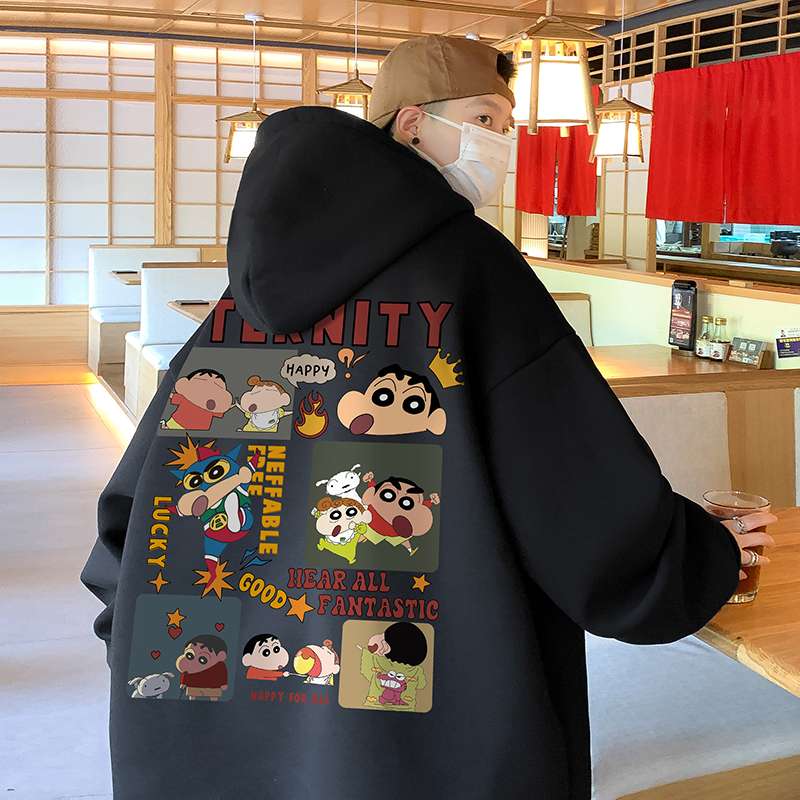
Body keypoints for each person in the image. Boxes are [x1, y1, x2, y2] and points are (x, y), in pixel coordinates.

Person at [80, 33, 776, 799]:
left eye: (507, 126)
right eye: (485, 120)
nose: (502, 144)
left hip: (214, 703)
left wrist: (132, 617)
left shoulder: (243, 295)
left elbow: (143, 493)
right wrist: (696, 557)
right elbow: (575, 494)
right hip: (411, 722)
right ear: (412, 125)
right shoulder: (470, 269)